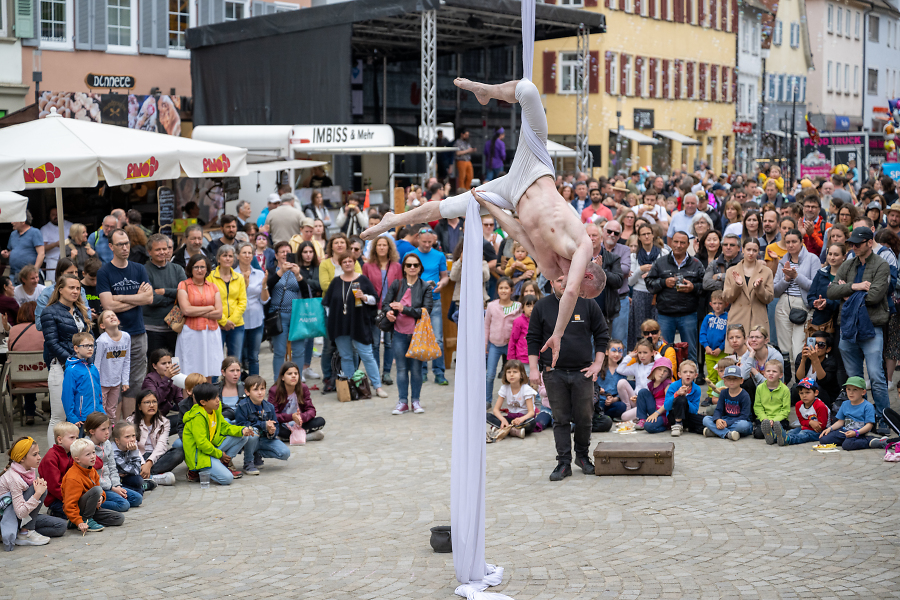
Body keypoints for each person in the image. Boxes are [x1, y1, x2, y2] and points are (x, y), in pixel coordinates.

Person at [364, 79, 605, 367]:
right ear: (587, 275)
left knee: (452, 206)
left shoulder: (550, 268)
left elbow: (517, 232)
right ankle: (486, 92)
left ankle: (395, 219)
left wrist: (488, 206)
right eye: (580, 290)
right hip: (538, 167)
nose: (572, 288)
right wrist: (559, 333)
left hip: (512, 194)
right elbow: (568, 293)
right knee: (528, 90)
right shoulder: (582, 247)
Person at [526, 274, 608, 481]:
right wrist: (534, 369)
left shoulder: (587, 304)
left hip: (583, 372)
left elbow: (602, 334)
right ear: (551, 282)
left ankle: (582, 456)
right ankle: (563, 462)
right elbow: (533, 338)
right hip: (554, 373)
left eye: (566, 279)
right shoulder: (542, 306)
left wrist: (597, 363)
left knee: (584, 418)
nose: (562, 283)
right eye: (558, 279)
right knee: (560, 419)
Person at [826, 226, 891, 435]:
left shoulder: (881, 265)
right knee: (853, 378)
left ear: (869, 243)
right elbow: (831, 290)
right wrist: (855, 287)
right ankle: (856, 420)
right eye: (851, 243)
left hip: (871, 326)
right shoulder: (847, 263)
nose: (853, 246)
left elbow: (875, 296)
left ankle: (883, 419)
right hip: (849, 327)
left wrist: (847, 293)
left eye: (857, 243)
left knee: (876, 376)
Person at [322, 252, 388, 398]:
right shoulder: (335, 282)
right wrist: (331, 320)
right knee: (345, 356)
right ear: (340, 264)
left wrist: (364, 297)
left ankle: (377, 386)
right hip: (340, 324)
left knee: (366, 355)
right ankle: (353, 387)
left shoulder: (363, 280)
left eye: (350, 261)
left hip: (359, 323)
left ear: (354, 262)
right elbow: (327, 304)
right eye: (344, 261)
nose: (347, 263)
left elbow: (374, 300)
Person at [97, 229, 153, 390]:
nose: (125, 247)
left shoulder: (139, 269)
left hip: (138, 332)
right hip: (114, 334)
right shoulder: (104, 272)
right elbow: (108, 306)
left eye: (127, 243)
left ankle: (131, 415)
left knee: (136, 380)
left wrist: (119, 297)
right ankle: (115, 416)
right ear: (111, 246)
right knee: (114, 379)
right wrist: (137, 298)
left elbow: (149, 298)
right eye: (120, 244)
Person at [40, 274, 91, 448]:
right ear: (60, 289)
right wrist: (72, 361)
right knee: (58, 417)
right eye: (71, 287)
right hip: (60, 368)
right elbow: (52, 343)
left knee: (74, 416)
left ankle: (69, 461)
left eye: (78, 288)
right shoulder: (49, 312)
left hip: (79, 368)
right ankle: (51, 462)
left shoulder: (78, 311)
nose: (75, 291)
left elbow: (85, 339)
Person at [382, 253, 433, 415]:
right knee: (402, 369)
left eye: (415, 265)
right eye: (409, 265)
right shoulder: (396, 284)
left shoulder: (425, 287)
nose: (412, 268)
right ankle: (402, 401)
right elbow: (385, 304)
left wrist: (404, 309)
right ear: (404, 268)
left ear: (420, 268)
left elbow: (426, 311)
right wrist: (389, 312)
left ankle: (416, 401)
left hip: (417, 335)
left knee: (417, 370)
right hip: (398, 332)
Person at [645, 231, 704, 364]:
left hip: (688, 314)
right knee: (664, 351)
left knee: (690, 352)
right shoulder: (660, 262)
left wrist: (693, 287)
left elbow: (704, 287)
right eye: (676, 242)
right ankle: (667, 383)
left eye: (682, 242)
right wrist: (663, 283)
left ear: (688, 244)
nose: (678, 245)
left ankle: (691, 383)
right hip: (665, 314)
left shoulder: (696, 263)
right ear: (670, 243)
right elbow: (649, 284)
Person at [181, 383, 256, 485]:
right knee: (227, 479)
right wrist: (220, 454)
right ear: (203, 402)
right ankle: (196, 471)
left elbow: (224, 427)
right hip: (200, 454)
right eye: (214, 398)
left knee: (242, 436)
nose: (218, 400)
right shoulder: (198, 417)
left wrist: (242, 430)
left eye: (217, 396)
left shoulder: (215, 409)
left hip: (211, 448)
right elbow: (202, 444)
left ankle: (223, 464)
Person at [0, 437, 67, 548]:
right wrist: (37, 494)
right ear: (22, 458)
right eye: (35, 454)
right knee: (41, 489)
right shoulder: (14, 478)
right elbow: (20, 513)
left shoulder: (29, 470)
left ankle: (20, 532)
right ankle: (25, 533)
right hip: (9, 517)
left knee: (61, 526)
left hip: (23, 518)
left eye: (38, 453)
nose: (39, 457)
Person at [772, 229, 820, 363]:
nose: (790, 245)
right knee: (785, 349)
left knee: (798, 348)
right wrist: (786, 279)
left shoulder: (812, 258)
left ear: (801, 242)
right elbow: (775, 291)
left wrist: (796, 277)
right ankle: (788, 380)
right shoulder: (783, 261)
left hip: (803, 305)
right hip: (783, 305)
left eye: (794, 241)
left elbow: (814, 286)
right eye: (787, 242)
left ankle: (799, 381)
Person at [175, 254, 224, 381]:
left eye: (202, 267)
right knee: (188, 369)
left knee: (209, 369)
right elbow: (186, 310)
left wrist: (196, 311)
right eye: (196, 267)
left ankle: (207, 398)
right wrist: (209, 308)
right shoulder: (183, 285)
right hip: (191, 332)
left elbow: (219, 313)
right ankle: (188, 400)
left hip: (211, 332)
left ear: (207, 269)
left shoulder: (213, 286)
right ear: (190, 268)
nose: (199, 270)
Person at [60, 438, 125, 533]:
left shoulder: (92, 470)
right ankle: (84, 520)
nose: (93, 456)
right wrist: (78, 521)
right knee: (96, 489)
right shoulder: (73, 477)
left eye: (93, 452)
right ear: (77, 459)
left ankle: (79, 521)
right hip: (79, 509)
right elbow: (69, 505)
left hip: (92, 509)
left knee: (119, 518)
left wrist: (102, 498)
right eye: (88, 454)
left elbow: (101, 491)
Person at [411, 229, 450, 385]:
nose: (427, 245)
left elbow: (445, 276)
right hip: (417, 301)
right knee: (419, 337)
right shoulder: (412, 255)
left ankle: (439, 371)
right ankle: (421, 371)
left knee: (438, 339)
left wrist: (442, 284)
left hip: (435, 299)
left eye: (430, 242)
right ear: (418, 239)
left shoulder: (439, 256)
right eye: (424, 242)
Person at [363, 236, 402, 386]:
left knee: (389, 342)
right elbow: (365, 286)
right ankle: (375, 375)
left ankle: (386, 373)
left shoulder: (396, 266)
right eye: (379, 245)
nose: (381, 247)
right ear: (374, 247)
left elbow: (400, 287)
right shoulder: (368, 266)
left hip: (391, 308)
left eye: (384, 245)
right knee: (374, 343)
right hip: (374, 308)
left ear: (389, 247)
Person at [83, 412, 141, 512]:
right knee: (123, 505)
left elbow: (112, 468)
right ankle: (88, 505)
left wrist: (117, 485)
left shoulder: (107, 444)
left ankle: (101, 502)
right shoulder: (85, 447)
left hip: (110, 486)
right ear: (92, 431)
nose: (107, 432)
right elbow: (91, 476)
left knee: (137, 498)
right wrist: (112, 488)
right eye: (103, 429)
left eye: (108, 428)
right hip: (97, 489)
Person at [267, 241, 309, 378]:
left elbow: (306, 293)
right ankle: (278, 382)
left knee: (298, 351)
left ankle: (296, 380)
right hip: (279, 315)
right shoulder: (272, 271)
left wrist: (298, 276)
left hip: (297, 315)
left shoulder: (298, 270)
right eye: (282, 252)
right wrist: (281, 272)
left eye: (288, 252)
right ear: (276, 255)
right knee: (279, 351)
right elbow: (268, 286)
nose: (285, 254)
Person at [234, 375, 291, 474]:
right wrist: (263, 425)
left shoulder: (269, 407)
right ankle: (248, 462)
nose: (260, 392)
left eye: (262, 389)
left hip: (264, 439)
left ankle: (257, 452)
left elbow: (276, 426)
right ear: (247, 392)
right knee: (253, 432)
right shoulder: (242, 406)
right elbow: (242, 425)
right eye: (255, 390)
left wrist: (272, 431)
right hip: (249, 438)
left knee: (285, 453)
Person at [143, 233, 186, 360]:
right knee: (156, 367)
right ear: (149, 251)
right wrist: (175, 296)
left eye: (165, 248)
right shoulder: (144, 271)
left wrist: (164, 291)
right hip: (153, 329)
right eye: (158, 249)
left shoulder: (177, 269)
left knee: (175, 366)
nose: (162, 252)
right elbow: (152, 299)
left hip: (175, 327)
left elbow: (186, 292)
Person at [125, 389, 182, 481]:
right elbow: (133, 446)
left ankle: (144, 474)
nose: (151, 405)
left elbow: (161, 446)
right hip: (138, 457)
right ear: (139, 406)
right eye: (147, 402)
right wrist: (143, 464)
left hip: (156, 458)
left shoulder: (164, 422)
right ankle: (154, 477)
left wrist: (149, 463)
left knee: (179, 452)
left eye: (154, 402)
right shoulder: (131, 421)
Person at [628, 224, 668, 349]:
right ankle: (640, 352)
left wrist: (652, 274)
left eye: (648, 233)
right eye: (643, 234)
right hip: (639, 292)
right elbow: (630, 281)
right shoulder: (634, 256)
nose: (646, 236)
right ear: (639, 237)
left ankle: (657, 352)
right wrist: (640, 269)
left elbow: (668, 274)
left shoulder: (663, 253)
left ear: (653, 235)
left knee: (656, 326)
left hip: (657, 293)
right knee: (640, 327)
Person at [722, 237, 774, 332]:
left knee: (757, 346)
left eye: (754, 250)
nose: (751, 253)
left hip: (758, 321)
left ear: (758, 251)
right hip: (737, 319)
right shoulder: (731, 271)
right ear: (743, 250)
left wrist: (759, 289)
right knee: (737, 346)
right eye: (748, 249)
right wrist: (737, 285)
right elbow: (727, 298)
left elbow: (769, 298)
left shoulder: (767, 272)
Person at [484, 278, 522, 406]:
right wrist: (485, 344)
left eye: (506, 288)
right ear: (497, 290)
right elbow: (486, 326)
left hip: (511, 346)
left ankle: (515, 400)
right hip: (494, 345)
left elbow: (520, 326)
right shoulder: (491, 306)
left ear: (512, 290)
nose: (503, 291)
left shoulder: (517, 306)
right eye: (501, 288)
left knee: (514, 374)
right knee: (490, 374)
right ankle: (487, 400)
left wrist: (514, 339)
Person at [814, 376, 877, 450]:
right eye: (848, 389)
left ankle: (869, 440)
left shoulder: (868, 406)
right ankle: (848, 441)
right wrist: (830, 429)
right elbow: (840, 422)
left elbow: (869, 425)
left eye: (855, 390)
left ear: (863, 392)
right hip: (845, 431)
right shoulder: (845, 404)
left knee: (847, 445)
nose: (851, 392)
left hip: (859, 433)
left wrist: (856, 433)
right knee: (823, 439)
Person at [206, 245, 247, 359]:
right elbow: (210, 302)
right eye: (225, 256)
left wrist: (231, 321)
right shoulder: (210, 277)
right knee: (215, 359)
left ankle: (234, 378)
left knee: (235, 360)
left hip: (236, 325)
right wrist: (223, 321)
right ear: (218, 259)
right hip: (216, 324)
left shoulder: (239, 277)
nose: (228, 258)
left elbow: (242, 301)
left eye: (230, 256)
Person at [269, 363, 325, 442]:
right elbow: (273, 415)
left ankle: (287, 438)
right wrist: (291, 417)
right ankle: (308, 436)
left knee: (320, 421)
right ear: (282, 377)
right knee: (274, 428)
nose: (293, 376)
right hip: (283, 424)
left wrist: (301, 417)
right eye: (289, 374)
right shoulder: (274, 391)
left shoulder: (303, 388)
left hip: (300, 423)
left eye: (296, 373)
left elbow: (311, 410)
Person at [645, 359, 702, 436]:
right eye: (685, 372)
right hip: (673, 416)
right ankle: (678, 425)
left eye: (691, 372)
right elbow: (667, 406)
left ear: (695, 375)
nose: (688, 374)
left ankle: (696, 428)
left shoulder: (696, 389)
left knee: (704, 420)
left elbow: (694, 411)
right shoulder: (673, 386)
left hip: (688, 416)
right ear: (679, 374)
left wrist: (686, 400)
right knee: (680, 399)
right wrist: (677, 394)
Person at [61, 332, 102, 433]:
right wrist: (72, 417)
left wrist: (102, 412)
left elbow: (99, 394)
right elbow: (67, 395)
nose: (90, 348)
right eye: (86, 346)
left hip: (95, 417)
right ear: (76, 349)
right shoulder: (71, 370)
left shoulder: (93, 368)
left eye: (92, 346)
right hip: (80, 420)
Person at [8, 302, 42, 425]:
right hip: (44, 379)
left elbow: (11, 351)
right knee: (34, 371)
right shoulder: (43, 329)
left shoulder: (13, 330)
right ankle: (30, 412)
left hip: (18, 379)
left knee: (25, 371)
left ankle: (28, 412)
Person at [486, 360, 536, 442]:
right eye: (508, 372)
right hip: (510, 418)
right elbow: (495, 409)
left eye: (515, 372)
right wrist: (503, 420)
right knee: (487, 416)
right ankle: (513, 430)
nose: (511, 375)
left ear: (521, 375)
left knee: (532, 423)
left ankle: (505, 429)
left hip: (523, 419)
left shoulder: (526, 389)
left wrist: (521, 419)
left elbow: (531, 412)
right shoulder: (504, 388)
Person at [94, 310, 130, 423]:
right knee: (101, 411)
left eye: (113, 315)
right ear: (102, 325)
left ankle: (108, 436)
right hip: (102, 383)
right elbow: (97, 364)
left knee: (111, 411)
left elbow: (126, 360)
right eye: (108, 317)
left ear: (118, 321)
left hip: (116, 382)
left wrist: (125, 381)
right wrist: (96, 384)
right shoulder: (102, 341)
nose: (112, 317)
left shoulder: (126, 337)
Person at [701, 365, 753, 440]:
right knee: (706, 419)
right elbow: (718, 409)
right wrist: (717, 420)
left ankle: (715, 432)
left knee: (743, 425)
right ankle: (727, 434)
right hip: (725, 419)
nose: (732, 381)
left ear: (741, 381)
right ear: (725, 381)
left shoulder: (745, 395)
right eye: (729, 379)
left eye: (735, 378)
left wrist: (727, 423)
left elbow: (745, 416)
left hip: (739, 422)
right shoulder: (723, 393)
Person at [773, 377, 830, 446]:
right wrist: (810, 422)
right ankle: (775, 437)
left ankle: (788, 440)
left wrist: (805, 426)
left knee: (803, 434)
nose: (804, 396)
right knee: (793, 431)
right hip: (807, 426)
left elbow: (821, 426)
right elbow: (801, 421)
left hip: (821, 432)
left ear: (816, 393)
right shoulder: (798, 405)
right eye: (801, 393)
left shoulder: (820, 406)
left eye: (807, 392)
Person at [141, 349, 185, 434]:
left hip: (162, 419)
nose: (168, 366)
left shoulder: (173, 378)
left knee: (186, 419)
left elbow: (180, 402)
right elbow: (155, 400)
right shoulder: (149, 380)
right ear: (154, 366)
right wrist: (167, 380)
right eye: (163, 364)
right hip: (148, 421)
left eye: (169, 362)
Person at [807, 243, 845, 333]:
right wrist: (816, 303)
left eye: (836, 255)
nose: (832, 257)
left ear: (844, 256)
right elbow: (810, 296)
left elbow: (846, 300)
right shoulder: (821, 273)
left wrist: (827, 303)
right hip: (820, 322)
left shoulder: (847, 275)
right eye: (830, 254)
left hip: (839, 323)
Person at [755, 359, 791, 443]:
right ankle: (774, 435)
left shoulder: (785, 390)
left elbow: (785, 410)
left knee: (780, 427)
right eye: (768, 371)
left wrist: (774, 420)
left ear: (780, 375)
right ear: (764, 373)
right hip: (764, 420)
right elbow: (758, 407)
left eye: (774, 371)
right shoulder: (760, 388)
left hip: (779, 420)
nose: (771, 373)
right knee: (758, 433)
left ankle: (774, 435)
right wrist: (765, 419)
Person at [3, 214, 45, 282]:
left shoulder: (35, 232)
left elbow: (41, 253)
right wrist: (7, 254)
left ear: (23, 221)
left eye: (14, 220)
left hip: (30, 275)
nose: (12, 222)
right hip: (14, 274)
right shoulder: (13, 234)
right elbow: (14, 251)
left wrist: (35, 271)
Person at [699, 291, 729, 385]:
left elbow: (729, 336)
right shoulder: (708, 317)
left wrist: (720, 348)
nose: (717, 306)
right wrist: (706, 346)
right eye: (715, 303)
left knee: (722, 376)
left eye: (720, 303)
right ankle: (711, 396)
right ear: (711, 304)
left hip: (722, 353)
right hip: (709, 352)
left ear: (726, 304)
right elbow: (702, 333)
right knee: (711, 375)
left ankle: (721, 395)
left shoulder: (728, 318)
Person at [596, 340, 628, 420]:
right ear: (606, 352)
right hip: (599, 400)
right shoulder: (599, 368)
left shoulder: (622, 370)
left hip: (613, 402)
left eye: (620, 351)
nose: (617, 354)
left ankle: (604, 416)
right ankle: (601, 415)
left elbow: (622, 391)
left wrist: (614, 399)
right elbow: (593, 384)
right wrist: (598, 391)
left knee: (622, 406)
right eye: (614, 351)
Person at [40, 208, 71, 283]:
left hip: (68, 260)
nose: (56, 216)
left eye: (58, 214)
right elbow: (42, 249)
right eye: (53, 215)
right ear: (49, 216)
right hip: (52, 261)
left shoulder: (70, 226)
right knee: (53, 284)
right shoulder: (45, 229)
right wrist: (55, 244)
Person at [506, 294, 536, 365]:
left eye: (534, 306)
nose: (531, 309)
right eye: (528, 306)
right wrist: (511, 359)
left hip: (536, 358)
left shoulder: (539, 321)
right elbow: (513, 340)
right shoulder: (518, 321)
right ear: (523, 307)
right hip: (521, 359)